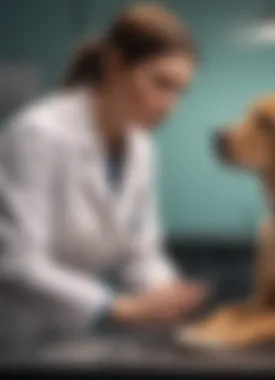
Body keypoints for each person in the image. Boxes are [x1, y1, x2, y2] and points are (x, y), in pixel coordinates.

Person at [0, 4, 206, 348]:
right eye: (161, 83)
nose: (170, 105)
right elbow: (18, 262)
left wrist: (168, 295)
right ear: (114, 65)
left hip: (74, 337)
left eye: (179, 91)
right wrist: (116, 306)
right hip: (14, 335)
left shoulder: (142, 148)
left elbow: (140, 252)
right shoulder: (37, 133)